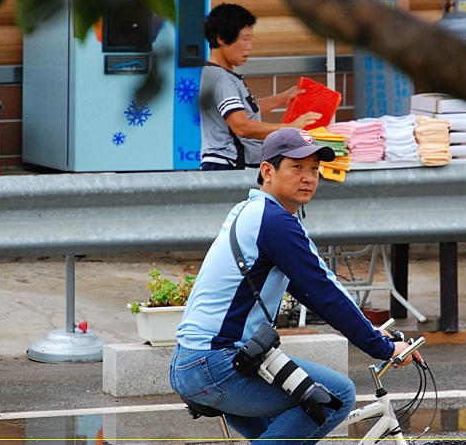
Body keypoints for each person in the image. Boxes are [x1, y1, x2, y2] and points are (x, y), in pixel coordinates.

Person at [170, 128, 422, 443]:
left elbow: (310, 292)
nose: (308, 177)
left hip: (196, 360)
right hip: (219, 364)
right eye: (297, 167)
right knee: (337, 395)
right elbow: (323, 290)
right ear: (267, 171)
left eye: (315, 169)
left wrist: (373, 333)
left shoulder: (252, 211)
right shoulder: (275, 222)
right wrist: (380, 348)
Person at [199, 3, 322, 170]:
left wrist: (283, 98)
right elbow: (241, 126)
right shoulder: (220, 78)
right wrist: (290, 128)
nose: (249, 46)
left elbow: (246, 110)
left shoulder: (223, 74)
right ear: (221, 39)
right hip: (228, 166)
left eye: (251, 39)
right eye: (244, 39)